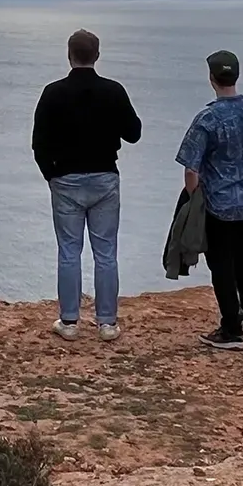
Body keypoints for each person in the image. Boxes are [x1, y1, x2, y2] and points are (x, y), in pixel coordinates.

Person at [32, 29, 142, 342]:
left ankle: (69, 321)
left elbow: (39, 143)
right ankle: (107, 323)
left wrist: (51, 176)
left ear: (69, 55)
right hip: (104, 177)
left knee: (69, 251)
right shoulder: (113, 91)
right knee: (105, 252)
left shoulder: (53, 92)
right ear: (97, 55)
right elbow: (133, 133)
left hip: (65, 178)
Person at [177, 50, 243, 351]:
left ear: (212, 78)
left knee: (221, 265)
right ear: (236, 76)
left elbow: (191, 168)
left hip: (218, 205)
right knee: (242, 260)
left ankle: (231, 330)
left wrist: (194, 198)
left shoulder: (207, 118)